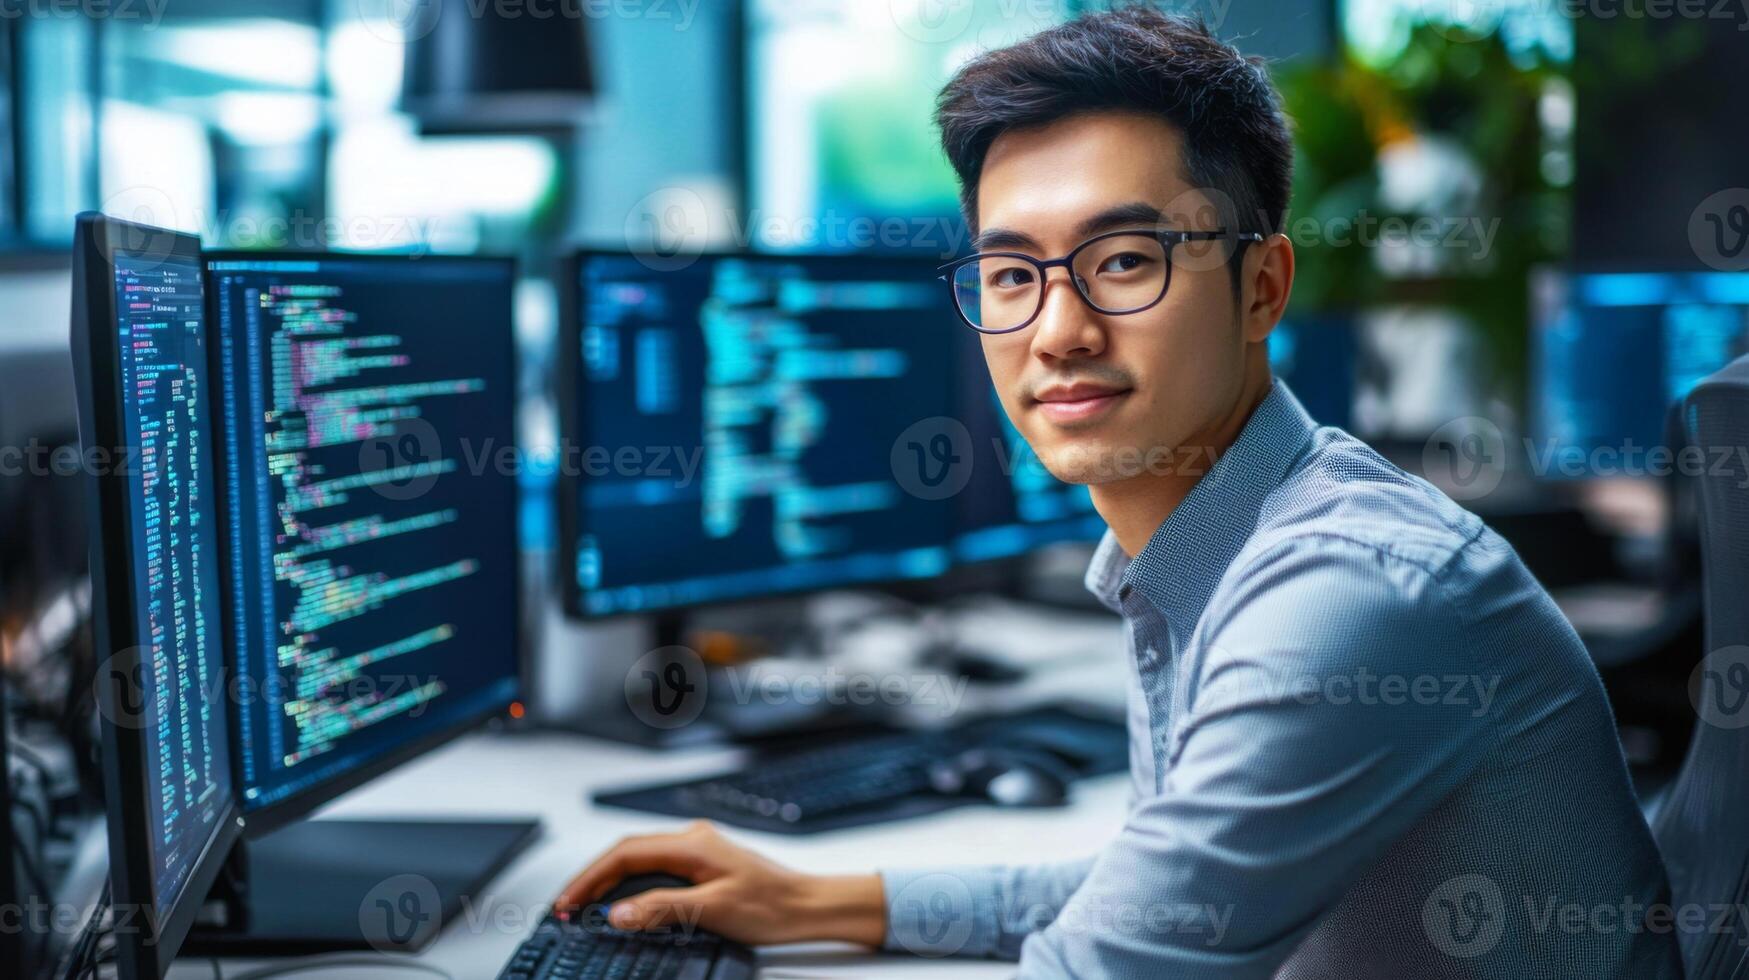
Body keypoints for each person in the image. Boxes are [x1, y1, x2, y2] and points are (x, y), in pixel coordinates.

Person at [558, 8, 1681, 976]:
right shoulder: (1209, 544)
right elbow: (1152, 887)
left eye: (1127, 260)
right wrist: (815, 899)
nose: (1057, 331)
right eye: (1011, 274)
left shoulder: (1341, 596)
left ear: (1262, 286)